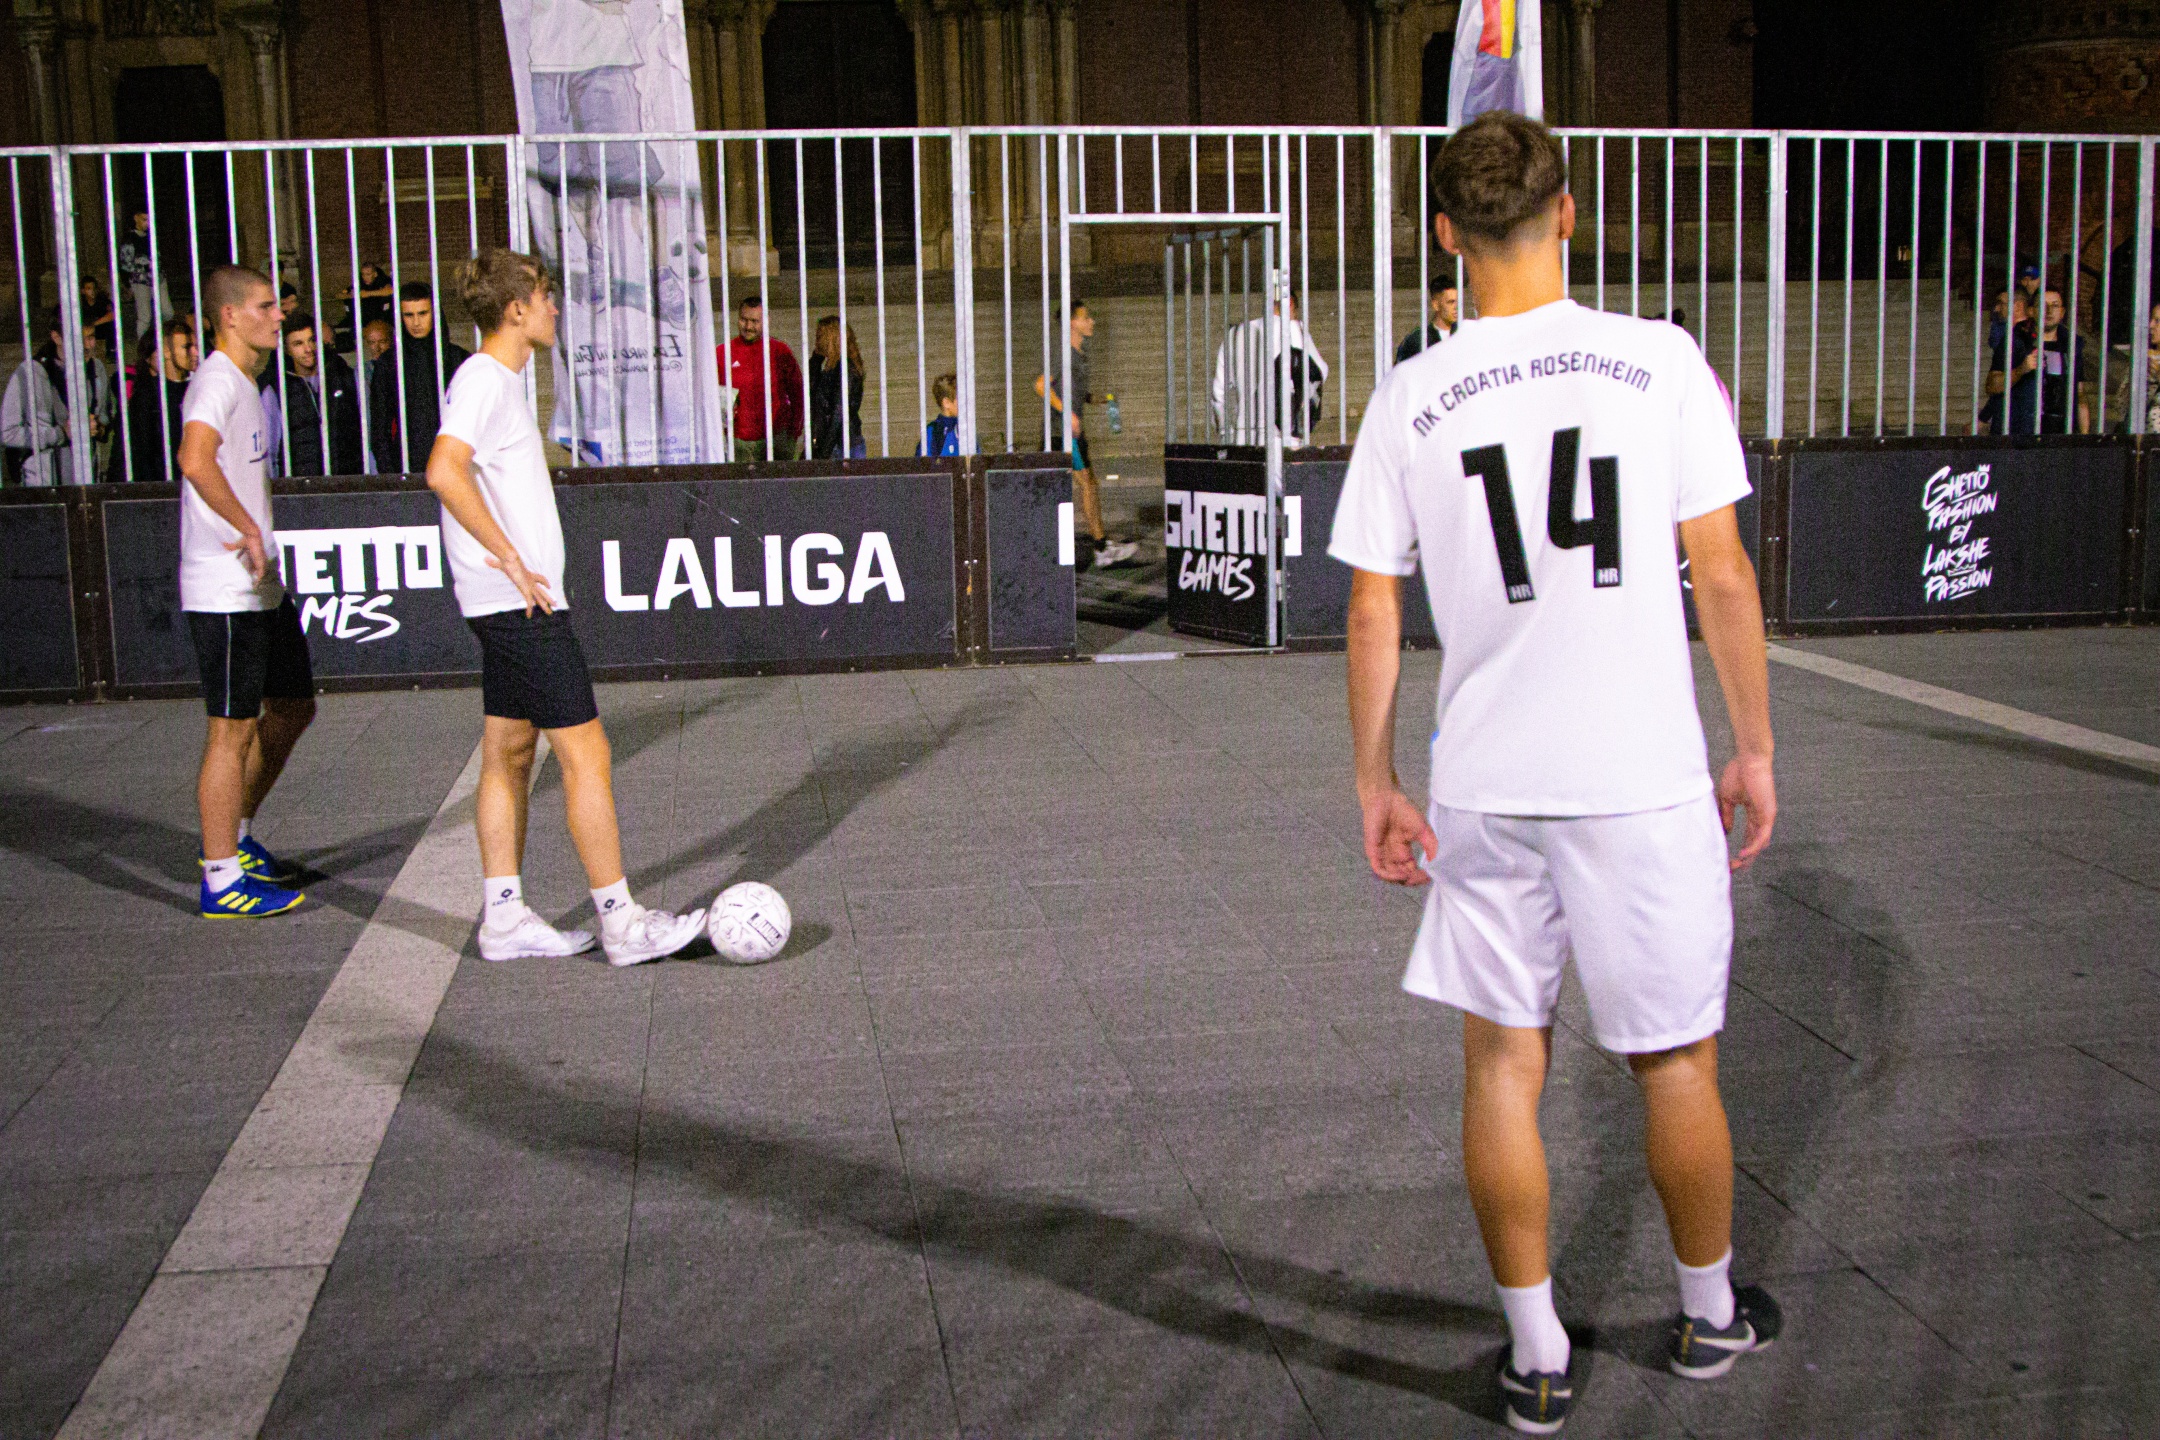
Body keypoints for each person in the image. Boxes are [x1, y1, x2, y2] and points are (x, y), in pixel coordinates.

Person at [1328, 111, 1779, 1434]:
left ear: (1446, 235)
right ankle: (1708, 1314)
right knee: (1675, 1065)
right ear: (1568, 212)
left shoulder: (1412, 394)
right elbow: (1723, 574)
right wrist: (1753, 747)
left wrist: (1374, 780)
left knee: (1500, 1068)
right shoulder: (1660, 361)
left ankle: (1537, 1356)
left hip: (1487, 778)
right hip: (1641, 772)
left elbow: (1372, 604)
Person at [425, 247, 705, 968]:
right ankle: (621, 922)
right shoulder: (484, 379)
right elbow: (443, 471)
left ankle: (503, 919)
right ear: (515, 308)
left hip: (507, 603)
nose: (555, 306)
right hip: (520, 605)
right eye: (545, 295)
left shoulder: (495, 381)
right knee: (587, 754)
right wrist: (509, 557)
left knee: (509, 750)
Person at [176, 265, 316, 919]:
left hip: (259, 584)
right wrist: (247, 528)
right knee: (229, 732)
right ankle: (220, 879)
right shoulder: (215, 381)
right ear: (229, 315)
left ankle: (235, 835)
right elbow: (194, 459)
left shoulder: (247, 381)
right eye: (265, 306)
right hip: (225, 587)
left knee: (292, 706)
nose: (278, 315)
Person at [1035, 301, 1139, 567]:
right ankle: (1101, 547)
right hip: (1062, 433)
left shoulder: (1080, 354)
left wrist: (1097, 399)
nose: (1091, 321)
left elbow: (1073, 391)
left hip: (1073, 433)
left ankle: (1097, 545)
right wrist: (1067, 414)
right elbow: (1041, 386)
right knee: (1087, 484)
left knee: (1085, 484)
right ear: (1072, 323)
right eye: (1086, 318)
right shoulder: (1063, 353)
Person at [370, 282, 471, 473]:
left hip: (456, 467)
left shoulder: (459, 359)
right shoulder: (388, 364)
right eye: (409, 315)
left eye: (423, 313)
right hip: (407, 468)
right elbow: (379, 427)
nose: (416, 322)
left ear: (435, 313)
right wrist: (392, 475)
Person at [1210, 284, 1329, 446]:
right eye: (1295, 312)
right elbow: (1320, 371)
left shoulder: (1235, 334)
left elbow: (1218, 394)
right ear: (1290, 304)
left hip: (1244, 438)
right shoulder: (1293, 329)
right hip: (1282, 438)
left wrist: (1225, 432)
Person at [269, 310, 366, 477]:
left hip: (347, 482)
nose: (308, 349)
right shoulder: (276, 389)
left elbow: (365, 435)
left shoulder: (346, 376)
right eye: (298, 343)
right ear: (286, 349)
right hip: (300, 486)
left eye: (312, 340)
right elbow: (270, 451)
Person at [3, 310, 87, 486]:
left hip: (84, 479)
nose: (88, 345)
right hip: (44, 482)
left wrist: (99, 428)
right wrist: (60, 433)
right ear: (56, 337)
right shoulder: (30, 373)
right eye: (78, 338)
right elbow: (8, 433)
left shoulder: (95, 369)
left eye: (91, 337)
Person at [109, 317, 197, 484]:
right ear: (166, 352)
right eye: (186, 347)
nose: (195, 352)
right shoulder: (147, 396)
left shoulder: (198, 389)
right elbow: (134, 453)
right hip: (160, 489)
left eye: (195, 346)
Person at [720, 295, 803, 462]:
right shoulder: (722, 353)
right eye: (744, 320)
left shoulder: (780, 352)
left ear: (766, 321)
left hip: (776, 439)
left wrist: (793, 433)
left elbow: (798, 393)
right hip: (738, 442)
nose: (748, 326)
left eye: (754, 321)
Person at [2034, 287, 2092, 435]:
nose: (2048, 311)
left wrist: (2084, 434)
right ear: (2032, 310)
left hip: (2061, 429)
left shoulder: (2071, 346)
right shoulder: (2018, 343)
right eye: (2042, 305)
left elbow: (2079, 393)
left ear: (2062, 312)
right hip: (2026, 429)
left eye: (2055, 306)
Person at [808, 315, 866, 460]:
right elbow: (811, 391)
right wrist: (816, 359)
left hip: (841, 445)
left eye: (820, 336)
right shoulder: (831, 368)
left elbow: (839, 413)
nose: (817, 341)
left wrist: (824, 453)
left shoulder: (845, 370)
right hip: (834, 442)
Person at [1983, 290, 2037, 437]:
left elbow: (1996, 385)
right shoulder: (2021, 336)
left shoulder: (2016, 341)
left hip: (2016, 421)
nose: (1996, 309)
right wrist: (1984, 417)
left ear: (2018, 306)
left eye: (2001, 303)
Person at [118, 209, 163, 341]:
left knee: (166, 311)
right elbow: (125, 264)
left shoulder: (150, 235)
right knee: (145, 316)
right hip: (140, 280)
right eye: (144, 219)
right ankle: (143, 345)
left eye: (149, 220)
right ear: (136, 218)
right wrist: (127, 284)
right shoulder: (130, 238)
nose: (147, 223)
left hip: (157, 278)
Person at [1396, 276, 1461, 364]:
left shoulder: (1463, 334)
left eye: (1457, 302)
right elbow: (1400, 369)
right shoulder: (1417, 340)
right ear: (1435, 305)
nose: (1456, 307)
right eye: (1450, 302)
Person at [919, 372, 961, 457]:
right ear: (946, 403)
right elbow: (924, 462)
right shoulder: (933, 432)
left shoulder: (966, 428)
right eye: (961, 398)